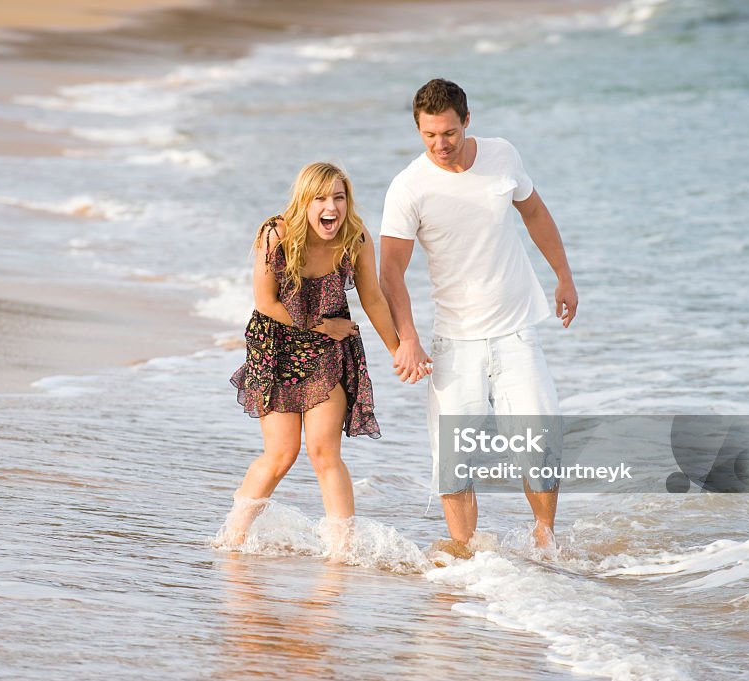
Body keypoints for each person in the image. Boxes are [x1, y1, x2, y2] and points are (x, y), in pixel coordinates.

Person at [379, 78, 578, 556]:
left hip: (516, 331)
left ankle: (544, 542)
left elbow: (534, 213)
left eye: (448, 132)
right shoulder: (409, 187)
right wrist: (406, 338)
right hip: (455, 340)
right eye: (429, 135)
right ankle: (466, 555)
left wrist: (564, 276)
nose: (440, 144)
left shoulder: (502, 155)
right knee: (453, 460)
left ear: (467, 121)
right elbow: (390, 271)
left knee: (539, 441)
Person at [218, 162, 400, 554]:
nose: (330, 206)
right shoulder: (276, 233)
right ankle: (232, 538)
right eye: (320, 198)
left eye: (338, 196)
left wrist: (399, 350)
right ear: (304, 202)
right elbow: (265, 303)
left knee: (323, 450)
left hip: (325, 352)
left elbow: (372, 298)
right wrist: (321, 325)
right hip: (277, 347)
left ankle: (341, 550)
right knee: (282, 453)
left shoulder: (356, 237)